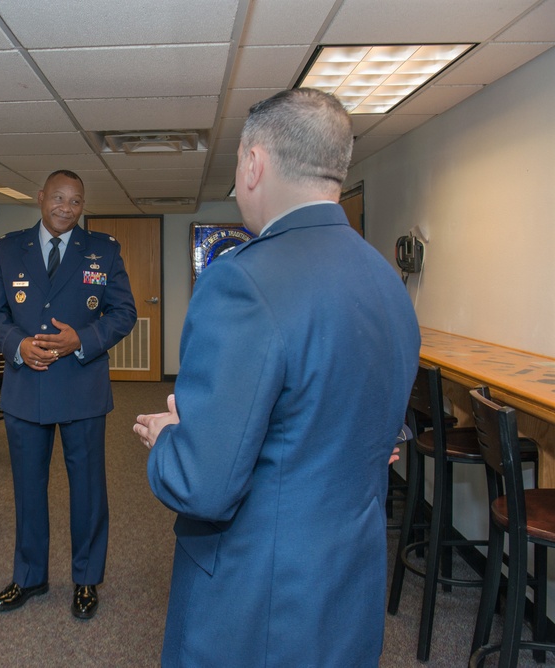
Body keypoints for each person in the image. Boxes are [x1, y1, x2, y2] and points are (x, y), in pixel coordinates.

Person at [134, 88, 421, 667]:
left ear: (253, 163)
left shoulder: (240, 281)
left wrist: (168, 438)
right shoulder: (387, 281)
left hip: (259, 598)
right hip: (348, 583)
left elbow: (204, 486)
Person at [0, 169, 137, 619]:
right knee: (28, 490)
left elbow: (123, 312)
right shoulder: (8, 249)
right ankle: (29, 577)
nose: (66, 208)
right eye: (59, 198)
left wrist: (82, 341)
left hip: (81, 389)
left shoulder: (103, 251)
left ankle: (86, 580)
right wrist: (18, 345)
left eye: (76, 201)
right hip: (26, 390)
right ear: (41, 197)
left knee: (88, 490)